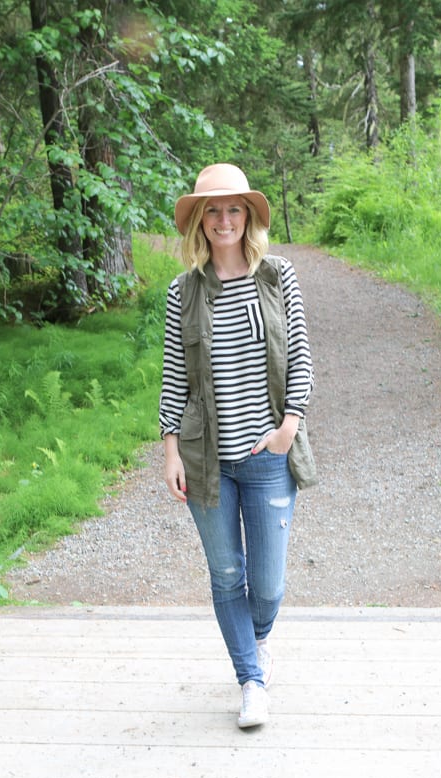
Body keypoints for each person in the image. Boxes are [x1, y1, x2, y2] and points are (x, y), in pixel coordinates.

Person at [159, 163, 317, 728]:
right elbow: (175, 375)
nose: (223, 220)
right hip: (207, 461)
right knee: (227, 575)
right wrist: (171, 450)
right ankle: (251, 681)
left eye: (234, 209)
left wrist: (288, 427)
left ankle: (260, 641)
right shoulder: (185, 291)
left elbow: (299, 357)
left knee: (268, 584)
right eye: (213, 210)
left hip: (267, 455)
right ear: (199, 222)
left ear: (247, 216)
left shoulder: (278, 276)